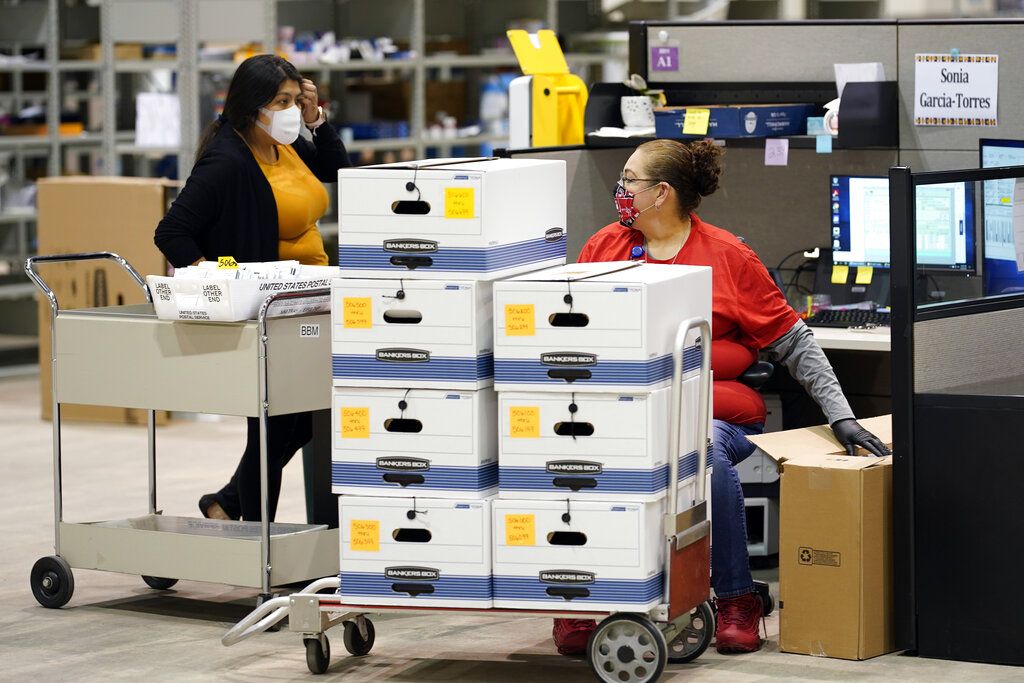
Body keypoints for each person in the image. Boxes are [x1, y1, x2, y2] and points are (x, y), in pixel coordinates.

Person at [551, 138, 890, 655]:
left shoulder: (728, 256)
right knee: (566, 460)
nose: (619, 190)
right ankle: (579, 599)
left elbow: (795, 342)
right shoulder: (603, 247)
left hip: (714, 420)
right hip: (622, 415)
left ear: (660, 193)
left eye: (628, 181)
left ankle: (737, 599)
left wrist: (841, 417)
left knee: (702, 453)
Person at [154, 54, 351, 522]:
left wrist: (314, 119)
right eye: (280, 101)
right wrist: (222, 272)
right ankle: (256, 542)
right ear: (251, 107)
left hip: (312, 298)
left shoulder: (282, 146)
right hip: (267, 308)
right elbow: (171, 232)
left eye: (293, 99)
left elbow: (339, 170)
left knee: (301, 418)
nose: (289, 110)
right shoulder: (228, 160)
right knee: (275, 424)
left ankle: (229, 506)